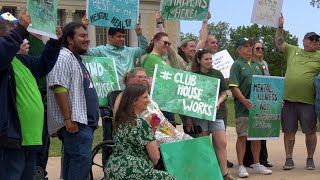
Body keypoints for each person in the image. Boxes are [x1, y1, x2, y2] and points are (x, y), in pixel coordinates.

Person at [0, 10, 62, 180]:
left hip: (29, 139)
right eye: (18, 36)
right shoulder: (4, 62)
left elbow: (43, 65)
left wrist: (55, 43)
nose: (24, 40)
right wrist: (20, 29)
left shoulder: (22, 61)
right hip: (9, 141)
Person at [81, 16, 148, 166]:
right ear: (109, 37)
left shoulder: (130, 51)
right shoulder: (101, 51)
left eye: (123, 36)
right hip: (109, 97)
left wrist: (139, 33)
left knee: (130, 133)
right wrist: (83, 27)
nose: (122, 39)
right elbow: (84, 52)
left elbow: (144, 48)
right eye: (119, 36)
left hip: (129, 96)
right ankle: (107, 166)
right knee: (109, 134)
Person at [47, 22, 99, 180]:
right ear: (70, 39)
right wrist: (68, 119)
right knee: (79, 169)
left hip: (82, 125)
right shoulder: (63, 56)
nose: (87, 39)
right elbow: (59, 88)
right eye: (82, 36)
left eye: (87, 36)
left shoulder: (75, 58)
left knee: (73, 168)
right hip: (76, 126)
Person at [275, 14, 320, 170]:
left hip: (308, 102)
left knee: (310, 131)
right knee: (289, 131)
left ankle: (310, 159)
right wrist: (280, 26)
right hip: (288, 101)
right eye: (311, 39)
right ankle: (288, 159)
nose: (314, 41)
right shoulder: (293, 50)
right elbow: (279, 44)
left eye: (316, 40)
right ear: (304, 41)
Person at [105, 84, 176, 179]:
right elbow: (155, 157)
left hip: (113, 168)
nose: (149, 100)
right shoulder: (142, 123)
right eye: (145, 97)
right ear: (134, 101)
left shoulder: (119, 121)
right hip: (134, 170)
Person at [184, 49, 236, 180]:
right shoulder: (193, 75)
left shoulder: (217, 74)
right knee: (204, 144)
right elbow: (189, 98)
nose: (209, 61)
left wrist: (218, 102)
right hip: (199, 115)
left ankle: (224, 174)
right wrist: (189, 118)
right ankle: (207, 173)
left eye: (210, 59)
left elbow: (224, 93)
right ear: (199, 60)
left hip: (216, 114)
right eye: (206, 59)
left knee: (221, 143)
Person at [229, 37, 272, 178]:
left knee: (257, 137)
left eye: (250, 46)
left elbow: (266, 86)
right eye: (245, 46)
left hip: (257, 108)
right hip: (243, 108)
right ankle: (241, 166)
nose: (249, 48)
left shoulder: (258, 65)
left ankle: (257, 164)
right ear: (238, 49)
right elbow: (234, 87)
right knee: (243, 136)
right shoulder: (236, 65)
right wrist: (243, 100)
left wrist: (275, 102)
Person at [113, 67, 192, 144]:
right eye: (140, 77)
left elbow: (161, 116)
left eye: (145, 77)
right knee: (174, 143)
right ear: (131, 79)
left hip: (164, 128)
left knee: (189, 140)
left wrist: (174, 132)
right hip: (148, 132)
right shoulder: (124, 96)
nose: (144, 79)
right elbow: (118, 119)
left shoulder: (147, 96)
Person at [243, 41, 273, 168]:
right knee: (250, 132)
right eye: (257, 48)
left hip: (263, 101)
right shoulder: (249, 64)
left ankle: (263, 159)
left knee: (262, 129)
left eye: (262, 48)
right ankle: (249, 160)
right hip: (251, 100)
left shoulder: (264, 64)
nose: (260, 50)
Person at [142, 32, 177, 125]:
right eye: (165, 43)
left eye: (169, 44)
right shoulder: (150, 58)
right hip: (159, 106)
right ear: (156, 42)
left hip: (167, 103)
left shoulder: (161, 59)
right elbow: (148, 82)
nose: (167, 46)